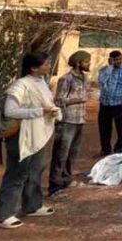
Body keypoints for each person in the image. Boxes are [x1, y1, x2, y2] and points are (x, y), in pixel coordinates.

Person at [0, 52, 61, 229]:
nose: (48, 66)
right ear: (33, 68)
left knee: (35, 171)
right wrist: (39, 111)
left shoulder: (41, 83)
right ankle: (5, 214)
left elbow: (46, 105)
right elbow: (10, 111)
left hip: (40, 134)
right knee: (17, 174)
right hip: (22, 136)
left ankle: (32, 205)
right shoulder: (21, 85)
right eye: (45, 64)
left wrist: (52, 111)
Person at [48, 51, 90, 197]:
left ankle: (66, 179)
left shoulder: (84, 78)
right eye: (86, 62)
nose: (89, 64)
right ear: (78, 63)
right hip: (67, 121)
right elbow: (58, 100)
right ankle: (54, 186)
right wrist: (78, 99)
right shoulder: (66, 79)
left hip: (79, 120)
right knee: (60, 154)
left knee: (72, 154)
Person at [98, 50, 122, 156]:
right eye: (115, 60)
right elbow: (101, 81)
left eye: (120, 59)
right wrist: (110, 68)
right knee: (104, 129)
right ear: (110, 60)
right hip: (105, 104)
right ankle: (106, 150)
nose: (118, 61)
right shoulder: (104, 70)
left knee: (121, 129)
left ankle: (119, 150)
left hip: (121, 103)